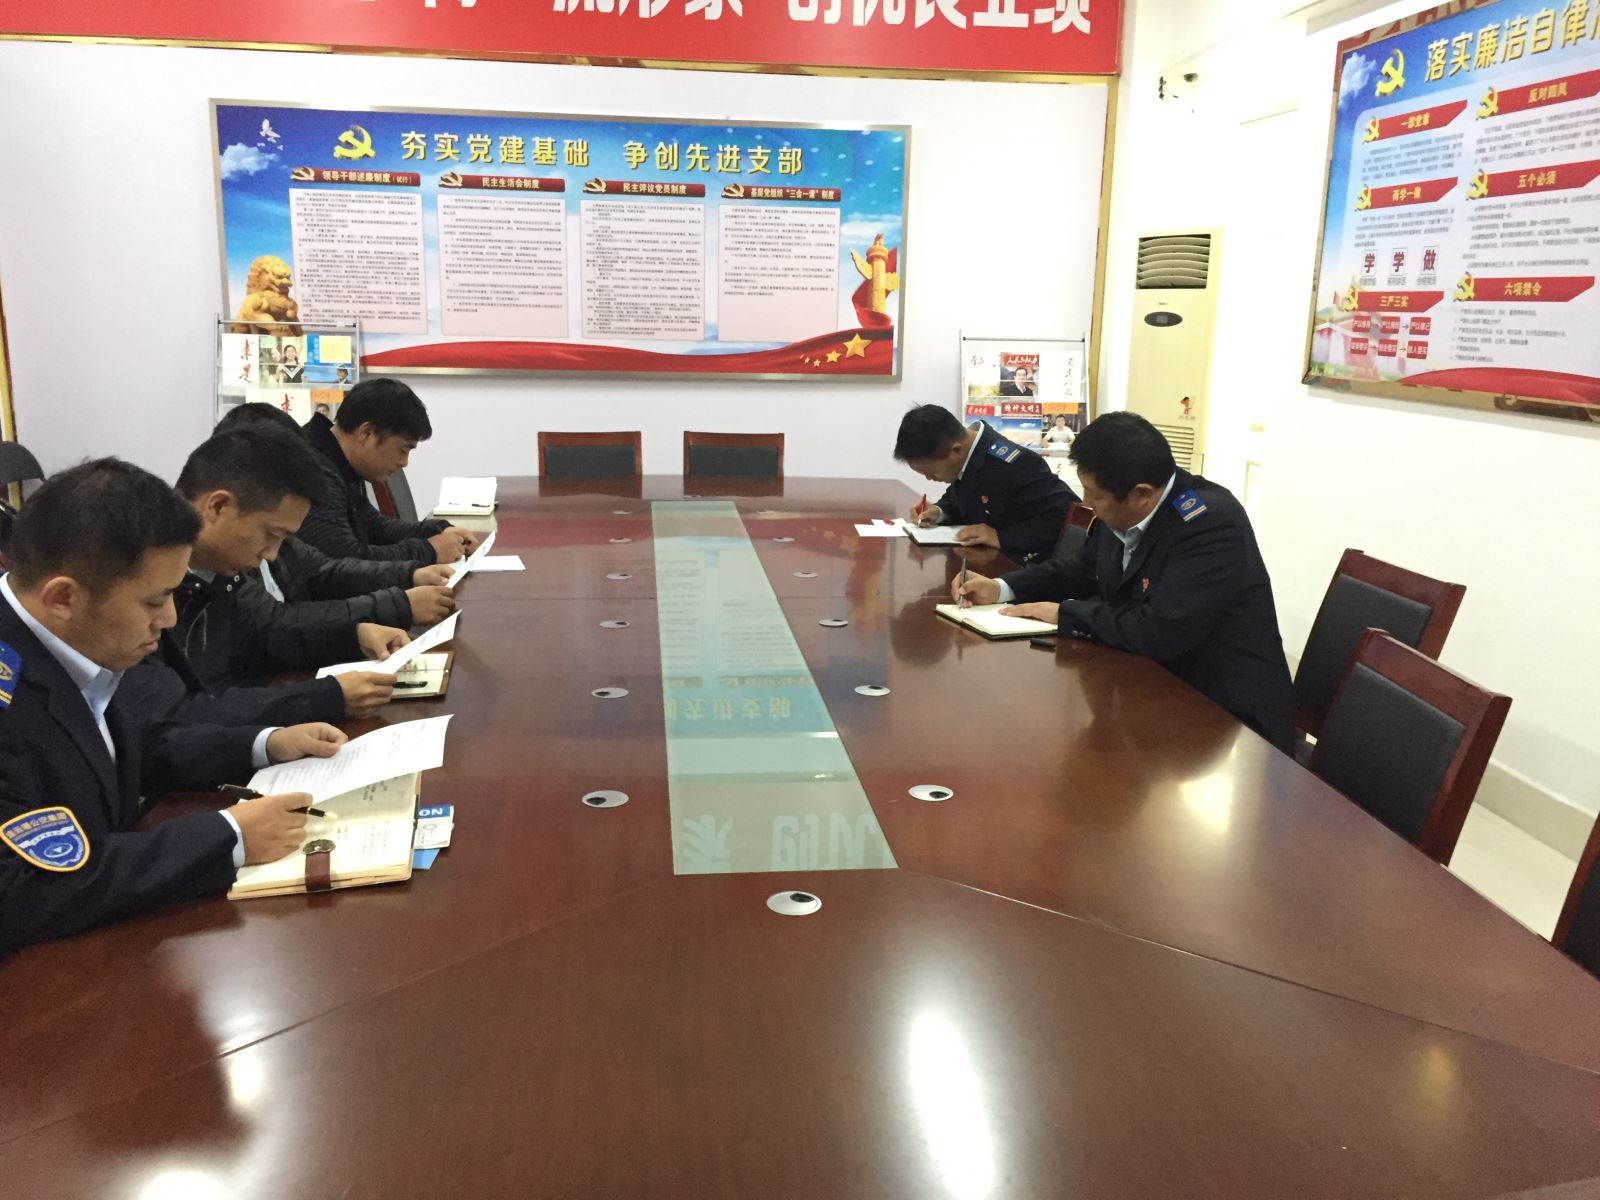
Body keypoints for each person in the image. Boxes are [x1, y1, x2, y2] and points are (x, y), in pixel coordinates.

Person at [0, 459, 346, 953]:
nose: (169, 619)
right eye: (153, 601)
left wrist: (263, 744)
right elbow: (20, 891)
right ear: (62, 597)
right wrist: (226, 835)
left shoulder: (75, 637)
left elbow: (134, 748)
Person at [953, 411, 1297, 752]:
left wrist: (1064, 614)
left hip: (1226, 723)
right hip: (1150, 687)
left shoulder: (1208, 524)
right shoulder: (1123, 510)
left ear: (1141, 494)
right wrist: (1003, 587)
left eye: (1094, 494)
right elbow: (1078, 569)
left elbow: (1160, 629)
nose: (1086, 503)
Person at [125, 426, 406, 730]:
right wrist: (324, 698)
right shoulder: (138, 584)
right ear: (218, 506)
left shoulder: (219, 573)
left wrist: (353, 635)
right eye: (271, 535)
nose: (272, 555)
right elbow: (178, 716)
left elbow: (262, 639)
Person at [215, 403, 455, 628]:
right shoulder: (220, 562)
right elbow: (273, 625)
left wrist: (410, 573)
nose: (404, 462)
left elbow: (324, 570)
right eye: (403, 449)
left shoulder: (336, 469)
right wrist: (400, 600)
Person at [299, 377, 475, 565]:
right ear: (367, 432)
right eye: (403, 449)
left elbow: (375, 528)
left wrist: (438, 530)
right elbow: (343, 559)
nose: (404, 462)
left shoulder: (338, 457)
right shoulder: (313, 468)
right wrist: (429, 551)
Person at [894, 403, 1077, 563]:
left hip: (1022, 570)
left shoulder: (1013, 464)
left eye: (931, 473)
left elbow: (1067, 514)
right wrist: (938, 512)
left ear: (956, 451)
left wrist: (1000, 537)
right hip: (980, 566)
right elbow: (962, 500)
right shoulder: (967, 457)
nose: (929, 479)